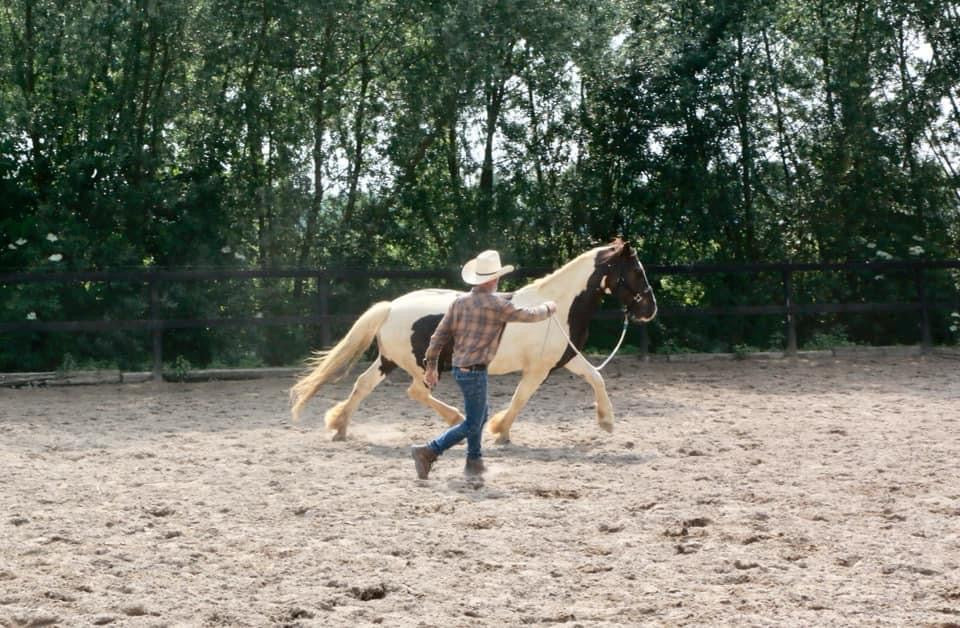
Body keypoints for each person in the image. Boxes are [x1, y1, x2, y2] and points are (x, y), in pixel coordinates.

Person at [411, 250, 557, 479]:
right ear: (493, 279)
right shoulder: (496, 305)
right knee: (472, 423)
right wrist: (548, 308)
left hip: (460, 369)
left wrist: (431, 366)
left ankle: (474, 461)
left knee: (480, 415)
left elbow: (438, 336)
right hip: (475, 372)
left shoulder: (459, 303)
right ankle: (429, 451)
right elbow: (528, 315)